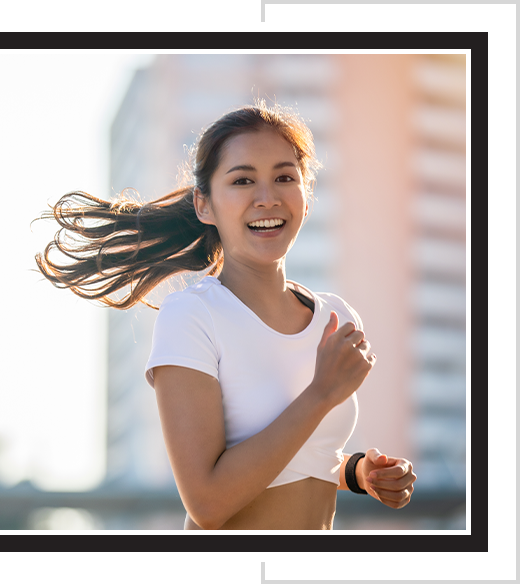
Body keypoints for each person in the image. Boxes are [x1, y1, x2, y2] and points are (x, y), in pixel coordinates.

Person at [35, 101, 416, 530]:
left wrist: (358, 472)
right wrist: (322, 392)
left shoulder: (335, 316)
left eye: (284, 177)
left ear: (306, 198)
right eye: (243, 180)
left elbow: (302, 457)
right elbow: (209, 502)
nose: (267, 197)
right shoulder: (193, 316)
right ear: (205, 205)